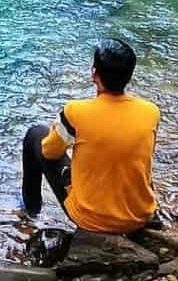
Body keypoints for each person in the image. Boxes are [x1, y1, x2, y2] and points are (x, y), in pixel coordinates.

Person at [21, 38, 160, 233]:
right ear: (129, 77)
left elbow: (49, 152)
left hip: (91, 219)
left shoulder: (76, 112)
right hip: (139, 216)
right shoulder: (151, 112)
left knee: (34, 135)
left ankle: (30, 212)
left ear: (94, 74)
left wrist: (57, 128)